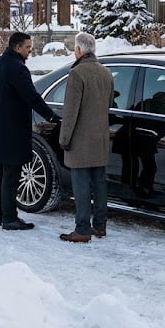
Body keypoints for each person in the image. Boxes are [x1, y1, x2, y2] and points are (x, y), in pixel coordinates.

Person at [0, 31, 61, 231]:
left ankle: (0, 215)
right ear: (16, 47)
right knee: (11, 174)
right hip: (13, 129)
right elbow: (32, 97)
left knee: (0, 173)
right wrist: (51, 116)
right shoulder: (17, 68)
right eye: (27, 47)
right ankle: (10, 218)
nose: (29, 50)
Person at [58, 32, 114, 243]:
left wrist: (64, 139)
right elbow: (108, 103)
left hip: (80, 140)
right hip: (100, 137)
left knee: (81, 186)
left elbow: (70, 112)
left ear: (79, 50)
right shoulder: (106, 73)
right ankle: (100, 226)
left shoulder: (77, 73)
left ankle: (82, 229)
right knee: (99, 184)